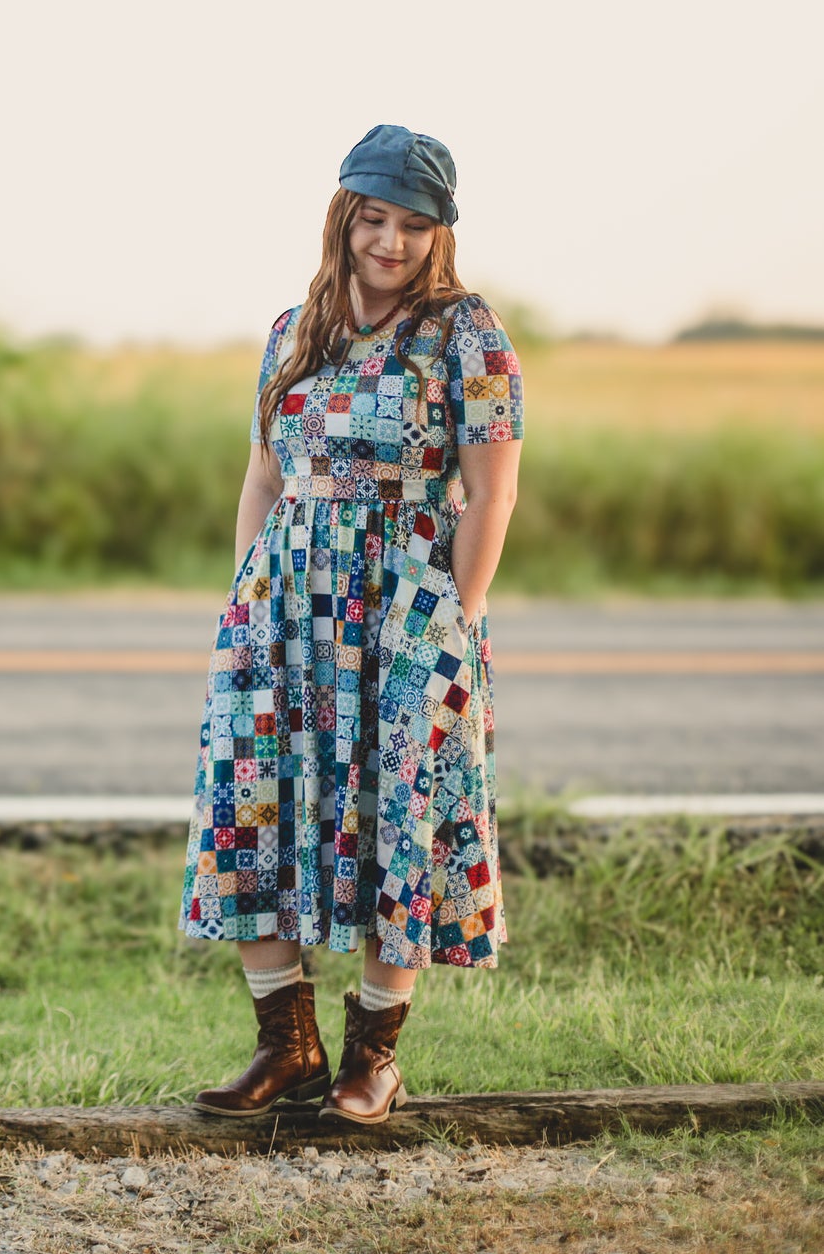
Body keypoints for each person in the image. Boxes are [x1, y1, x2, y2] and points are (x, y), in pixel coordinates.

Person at [181, 124, 526, 1125]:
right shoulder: (293, 328)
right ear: (342, 217)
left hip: (408, 606)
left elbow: (490, 495)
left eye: (410, 225)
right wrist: (243, 599)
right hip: (282, 606)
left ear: (436, 234)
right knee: (251, 801)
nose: (388, 241)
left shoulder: (469, 333)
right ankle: (283, 1043)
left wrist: (449, 625)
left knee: (398, 815)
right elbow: (261, 473)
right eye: (371, 218)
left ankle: (372, 1054)